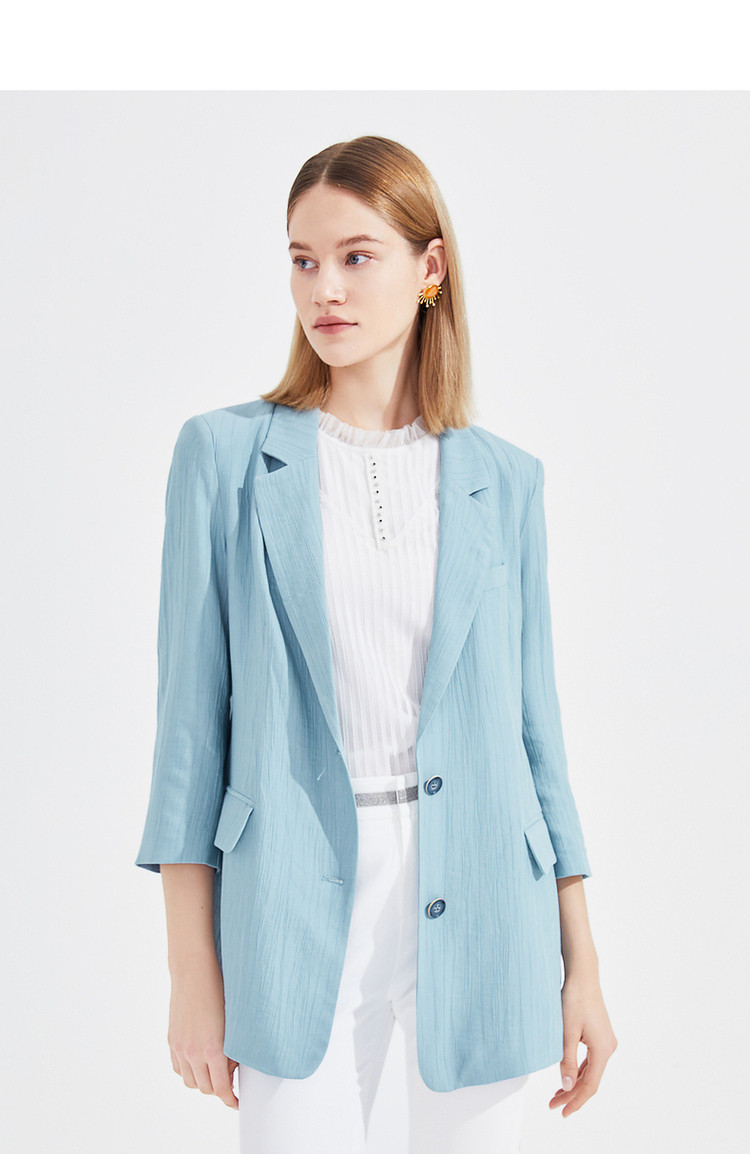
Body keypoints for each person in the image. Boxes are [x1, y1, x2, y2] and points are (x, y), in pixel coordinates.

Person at [135, 135, 617, 1154]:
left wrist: (583, 963)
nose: (325, 289)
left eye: (357, 256)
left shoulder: (506, 480)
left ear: (429, 267)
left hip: (486, 893)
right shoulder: (223, 458)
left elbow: (536, 735)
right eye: (303, 259)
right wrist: (190, 969)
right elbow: (189, 736)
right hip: (289, 890)